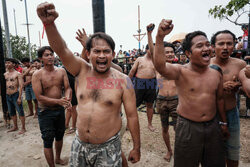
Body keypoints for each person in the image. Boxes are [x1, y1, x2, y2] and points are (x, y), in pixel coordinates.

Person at [37, 2, 140, 167]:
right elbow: (62, 49)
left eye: (106, 51)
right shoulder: (81, 70)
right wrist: (49, 24)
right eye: (96, 51)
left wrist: (137, 146)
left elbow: (132, 116)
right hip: (80, 146)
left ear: (113, 54)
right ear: (88, 53)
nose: (101, 55)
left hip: (108, 147)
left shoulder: (123, 80)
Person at [154, 19, 229, 167]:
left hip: (213, 126)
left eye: (207, 44)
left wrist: (224, 122)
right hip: (188, 127)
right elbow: (161, 67)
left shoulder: (216, 72)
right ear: (188, 53)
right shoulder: (181, 71)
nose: (206, 48)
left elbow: (220, 99)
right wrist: (159, 37)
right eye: (199, 46)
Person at [210, 30, 247, 167]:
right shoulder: (205, 64)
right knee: (211, 155)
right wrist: (220, 88)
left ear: (234, 45)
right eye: (221, 43)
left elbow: (245, 90)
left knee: (232, 153)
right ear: (213, 46)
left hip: (232, 112)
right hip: (210, 115)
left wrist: (238, 87)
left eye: (229, 43)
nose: (225, 47)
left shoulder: (240, 64)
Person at [32, 46, 72, 167]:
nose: (50, 57)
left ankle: (58, 158)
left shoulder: (61, 71)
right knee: (48, 140)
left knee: (59, 136)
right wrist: (59, 101)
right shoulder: (37, 75)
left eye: (51, 54)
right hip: (45, 112)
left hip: (59, 110)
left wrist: (67, 98)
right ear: (41, 58)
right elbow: (39, 97)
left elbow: (68, 87)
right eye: (46, 55)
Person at [146, 23, 178, 162]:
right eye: (167, 52)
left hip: (176, 101)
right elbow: (153, 51)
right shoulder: (158, 67)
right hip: (161, 100)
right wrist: (149, 34)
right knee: (164, 128)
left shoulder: (178, 68)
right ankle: (169, 151)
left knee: (179, 129)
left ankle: (180, 150)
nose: (170, 54)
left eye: (172, 52)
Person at [128, 33, 157, 132]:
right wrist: (127, 83)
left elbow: (159, 73)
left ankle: (150, 124)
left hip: (152, 83)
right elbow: (132, 72)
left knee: (150, 104)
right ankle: (130, 124)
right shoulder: (140, 59)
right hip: (139, 83)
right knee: (134, 105)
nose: (153, 51)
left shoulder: (156, 60)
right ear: (146, 50)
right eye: (151, 49)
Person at [4, 58, 26, 134]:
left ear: (13, 64)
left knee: (20, 111)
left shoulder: (17, 74)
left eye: (9, 62)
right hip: (8, 95)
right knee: (12, 112)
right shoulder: (5, 74)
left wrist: (19, 97)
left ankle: (23, 128)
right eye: (6, 63)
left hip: (15, 94)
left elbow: (21, 86)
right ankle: (15, 126)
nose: (7, 64)